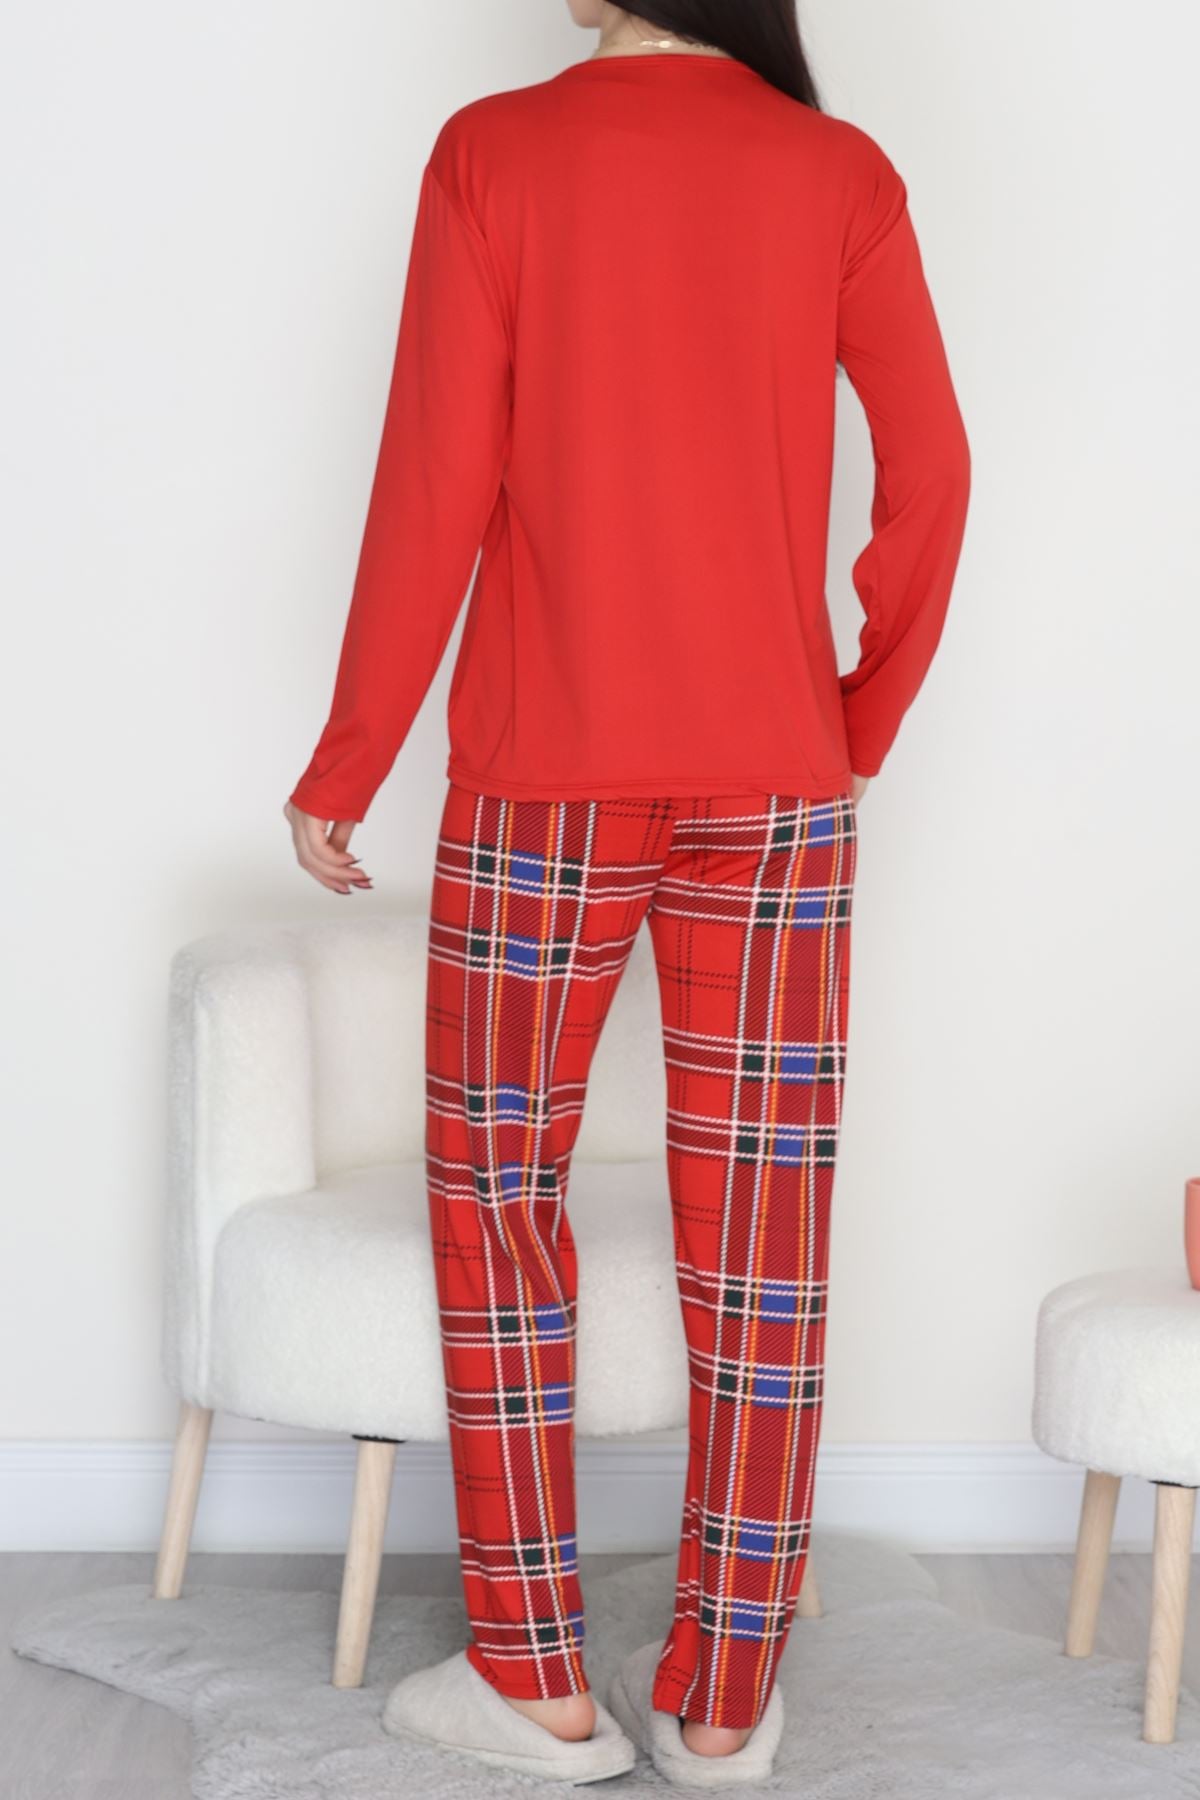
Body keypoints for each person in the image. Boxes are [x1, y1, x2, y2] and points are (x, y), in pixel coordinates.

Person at [283, 0, 971, 1779]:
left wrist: (350, 758)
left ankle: (535, 1678)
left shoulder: (496, 157)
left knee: (497, 1198)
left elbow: (435, 480)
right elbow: (935, 471)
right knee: (766, 1236)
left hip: (543, 784)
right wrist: (858, 719)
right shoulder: (835, 171)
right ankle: (724, 1699)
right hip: (778, 789)